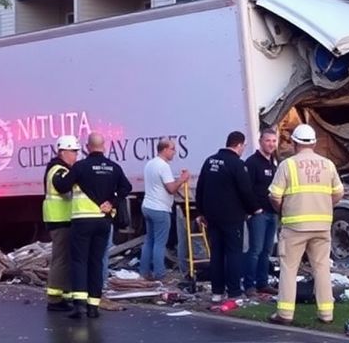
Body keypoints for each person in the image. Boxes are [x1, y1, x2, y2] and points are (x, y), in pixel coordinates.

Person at [267, 124, 343, 326]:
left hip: (295, 226)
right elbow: (338, 193)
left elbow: (274, 195)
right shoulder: (327, 164)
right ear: (314, 143)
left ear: (294, 143)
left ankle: (285, 313)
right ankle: (326, 313)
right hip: (322, 225)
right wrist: (325, 205)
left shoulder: (287, 165)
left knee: (289, 269)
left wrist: (283, 209)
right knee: (322, 268)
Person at [53, 132, 131, 319]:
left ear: (87, 147)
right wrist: (111, 202)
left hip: (82, 221)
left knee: (80, 261)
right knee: (96, 262)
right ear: (104, 146)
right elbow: (126, 188)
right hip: (103, 222)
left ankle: (79, 306)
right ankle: (93, 306)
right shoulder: (114, 167)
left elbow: (62, 186)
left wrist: (57, 174)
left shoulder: (81, 166)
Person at [195, 131, 260, 304]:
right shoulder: (237, 164)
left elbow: (200, 188)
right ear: (239, 145)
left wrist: (201, 212)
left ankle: (217, 292)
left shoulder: (209, 161)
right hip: (232, 217)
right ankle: (234, 292)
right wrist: (254, 209)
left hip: (212, 217)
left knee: (216, 253)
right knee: (233, 254)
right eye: (243, 146)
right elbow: (245, 190)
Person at [139, 139, 190, 281]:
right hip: (160, 208)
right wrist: (182, 179)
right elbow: (171, 188)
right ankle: (159, 274)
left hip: (147, 205)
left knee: (149, 240)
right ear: (165, 149)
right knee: (160, 243)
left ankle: (144, 272)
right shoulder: (163, 166)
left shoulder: (150, 164)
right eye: (173, 149)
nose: (174, 152)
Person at [43, 135, 79, 312]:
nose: (76, 155)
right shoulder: (58, 170)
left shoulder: (59, 168)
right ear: (63, 152)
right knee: (61, 260)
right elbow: (63, 186)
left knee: (65, 259)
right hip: (60, 219)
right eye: (73, 151)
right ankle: (54, 299)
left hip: (61, 219)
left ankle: (64, 295)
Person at [242, 128, 279, 297]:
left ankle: (262, 283)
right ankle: (249, 285)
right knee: (255, 250)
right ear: (260, 142)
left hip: (273, 213)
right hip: (259, 214)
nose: (271, 144)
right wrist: (254, 209)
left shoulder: (274, 162)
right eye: (268, 140)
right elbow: (246, 189)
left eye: (274, 141)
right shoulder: (252, 162)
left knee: (267, 250)